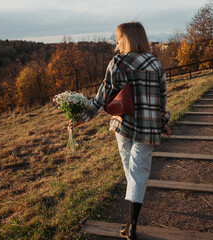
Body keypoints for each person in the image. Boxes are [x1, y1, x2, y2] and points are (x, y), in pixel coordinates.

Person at [69, 22, 171, 240]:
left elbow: (102, 96)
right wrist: (164, 122)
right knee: (138, 173)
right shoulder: (156, 64)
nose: (115, 41)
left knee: (130, 172)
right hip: (149, 128)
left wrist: (82, 118)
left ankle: (130, 226)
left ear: (128, 38)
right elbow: (162, 99)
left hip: (123, 125)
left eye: (118, 37)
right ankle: (131, 225)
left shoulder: (118, 62)